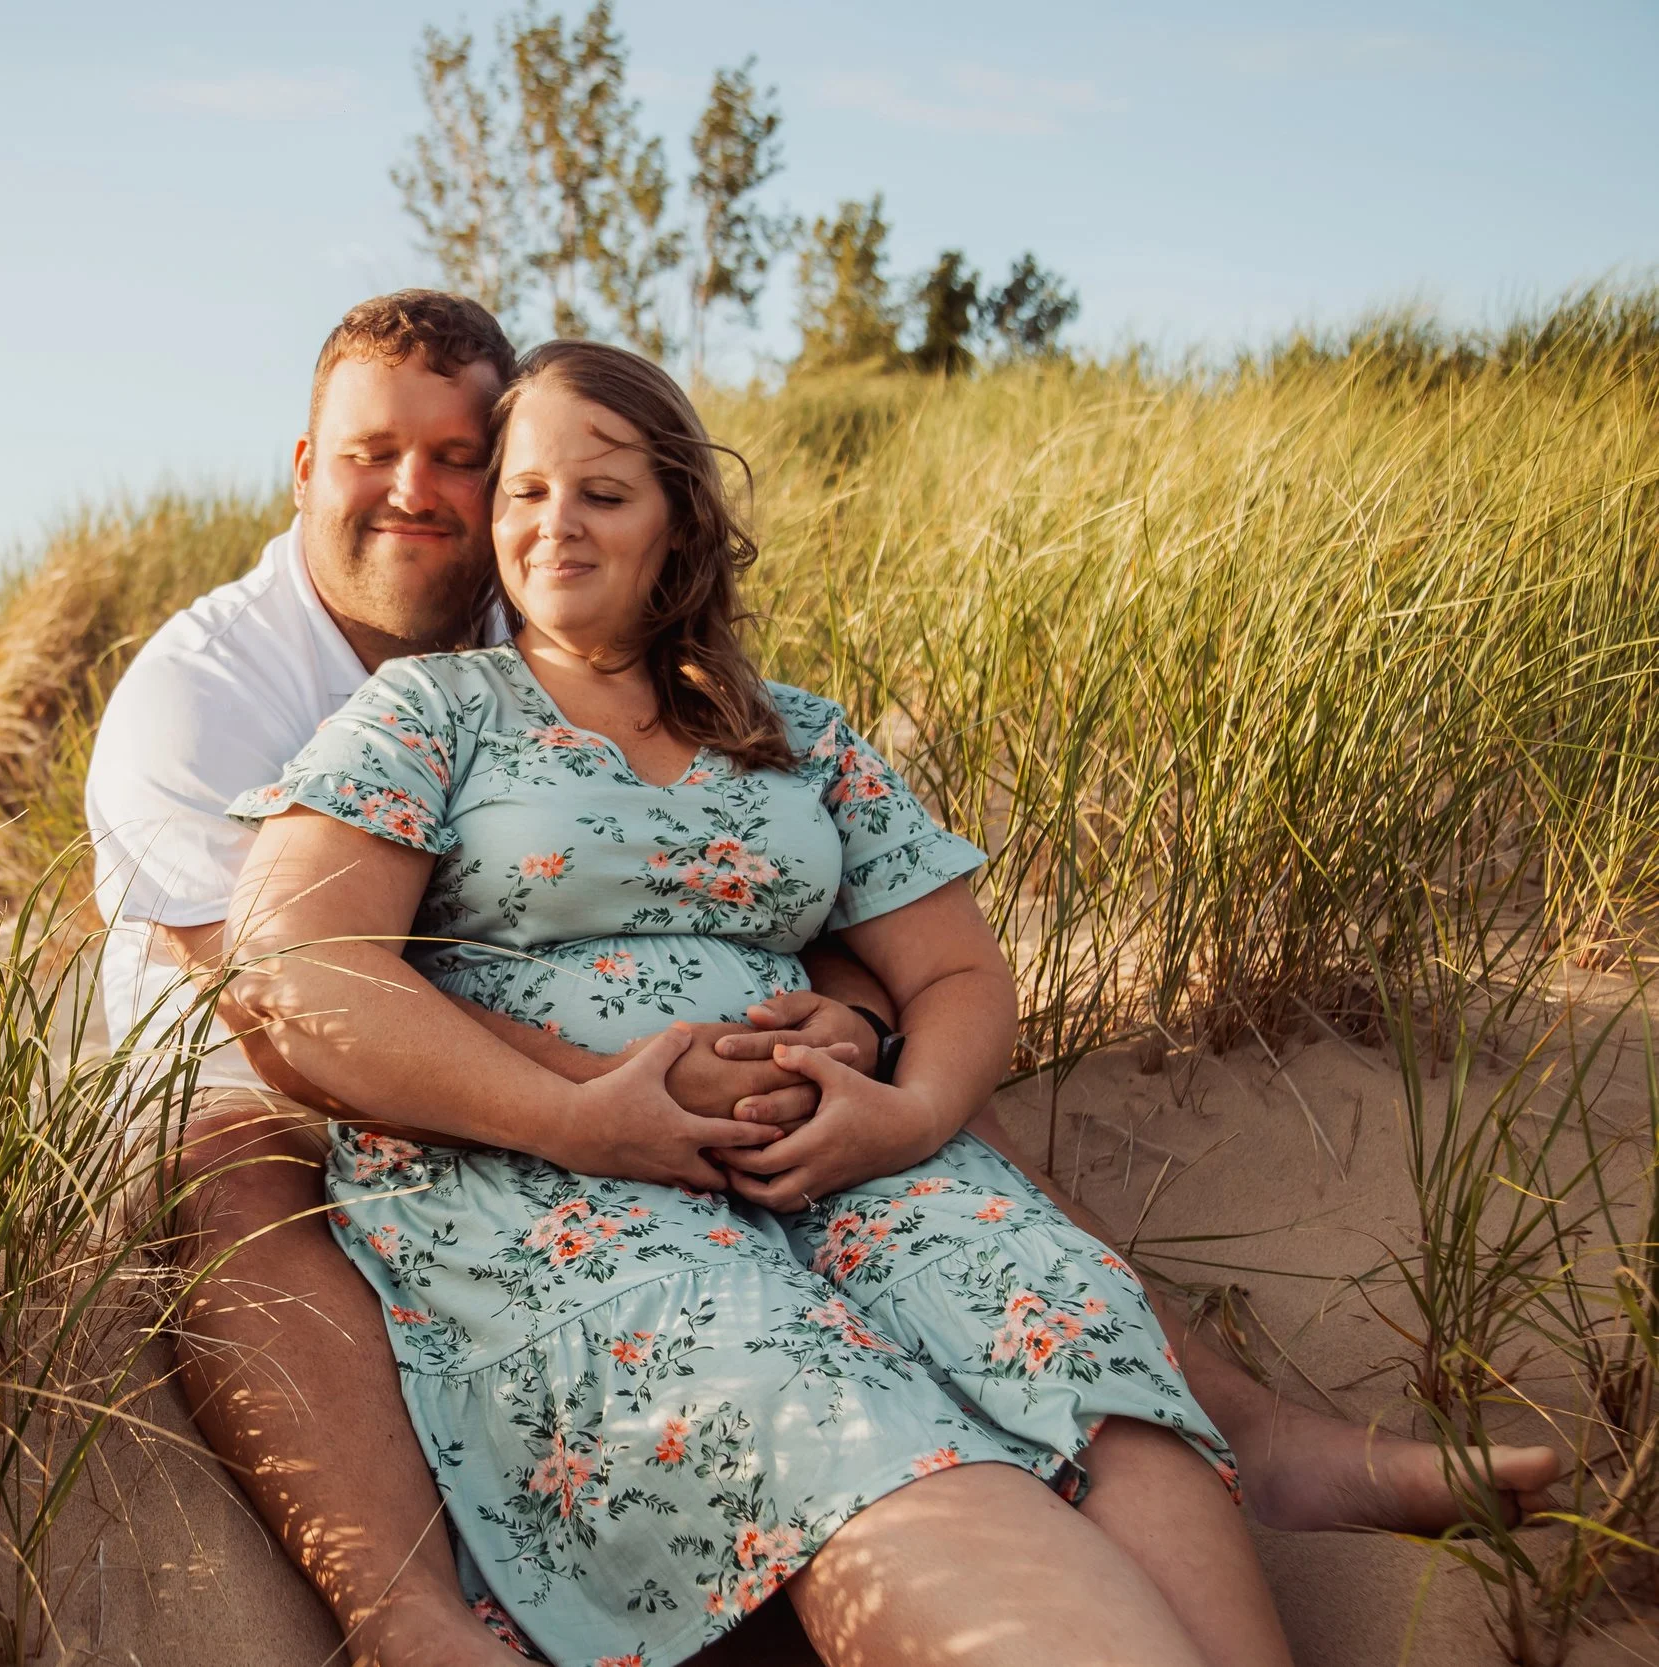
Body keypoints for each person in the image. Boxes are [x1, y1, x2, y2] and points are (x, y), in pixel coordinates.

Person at [81, 291, 1558, 1667]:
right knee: (252, 1178)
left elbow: (891, 945)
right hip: (310, 1094)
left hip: (751, 1120)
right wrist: (606, 1095)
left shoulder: (683, 687)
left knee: (1029, 1286)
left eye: (481, 463)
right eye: (397, 458)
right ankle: (404, 1615)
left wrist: (858, 1042)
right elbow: (284, 983)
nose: (454, 497)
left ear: (676, 520)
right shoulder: (253, 688)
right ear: (304, 464)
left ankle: (1245, 1440)